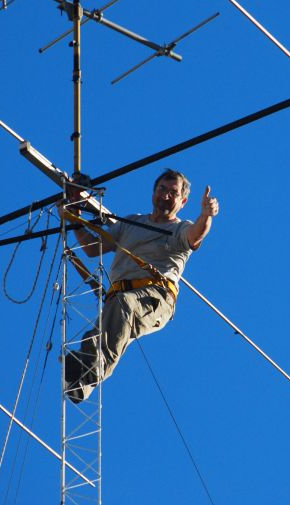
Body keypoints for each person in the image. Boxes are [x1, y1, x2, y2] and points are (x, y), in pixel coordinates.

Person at [62, 169, 219, 403]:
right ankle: (79, 386)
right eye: (162, 189)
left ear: (183, 201)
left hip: (156, 297)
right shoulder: (131, 223)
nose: (165, 195)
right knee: (106, 328)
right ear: (154, 192)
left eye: (173, 192)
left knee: (123, 308)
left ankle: (90, 370)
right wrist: (73, 217)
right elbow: (92, 248)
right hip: (118, 297)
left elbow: (195, 235)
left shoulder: (179, 228)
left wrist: (206, 216)